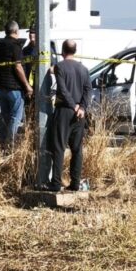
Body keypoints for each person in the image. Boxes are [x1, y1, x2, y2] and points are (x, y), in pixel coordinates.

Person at [46, 40, 91, 191]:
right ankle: (75, 183)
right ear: (75, 50)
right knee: (77, 149)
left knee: (58, 147)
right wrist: (82, 107)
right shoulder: (84, 69)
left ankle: (56, 183)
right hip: (80, 114)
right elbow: (88, 90)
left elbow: (63, 90)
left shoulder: (60, 66)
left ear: (62, 51)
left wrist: (73, 106)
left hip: (65, 111)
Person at [0, 21, 33, 148]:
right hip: (14, 87)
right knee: (15, 117)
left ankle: (2, 145)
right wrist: (27, 85)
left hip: (0, 86)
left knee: (4, 115)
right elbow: (18, 67)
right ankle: (10, 145)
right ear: (16, 31)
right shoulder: (16, 46)